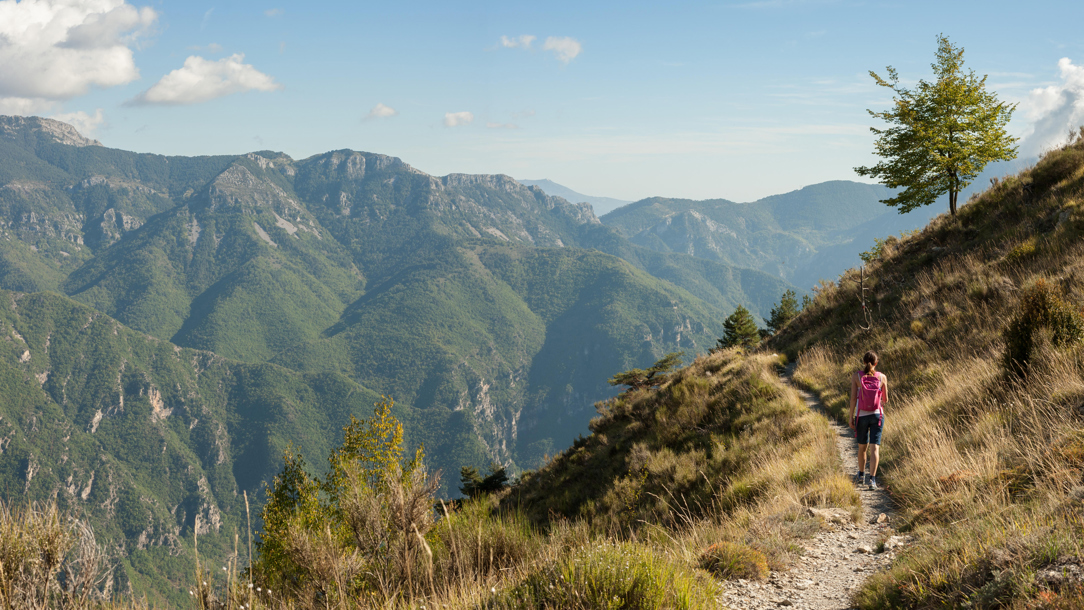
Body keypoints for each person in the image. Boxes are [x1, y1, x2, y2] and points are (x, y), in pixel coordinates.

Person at [848, 351, 888, 490]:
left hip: (861, 416)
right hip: (877, 416)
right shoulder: (882, 377)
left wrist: (851, 417)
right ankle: (872, 480)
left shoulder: (856, 376)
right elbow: (885, 400)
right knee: (874, 448)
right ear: (876, 363)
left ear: (864, 362)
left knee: (862, 447)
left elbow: (853, 398)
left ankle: (860, 475)